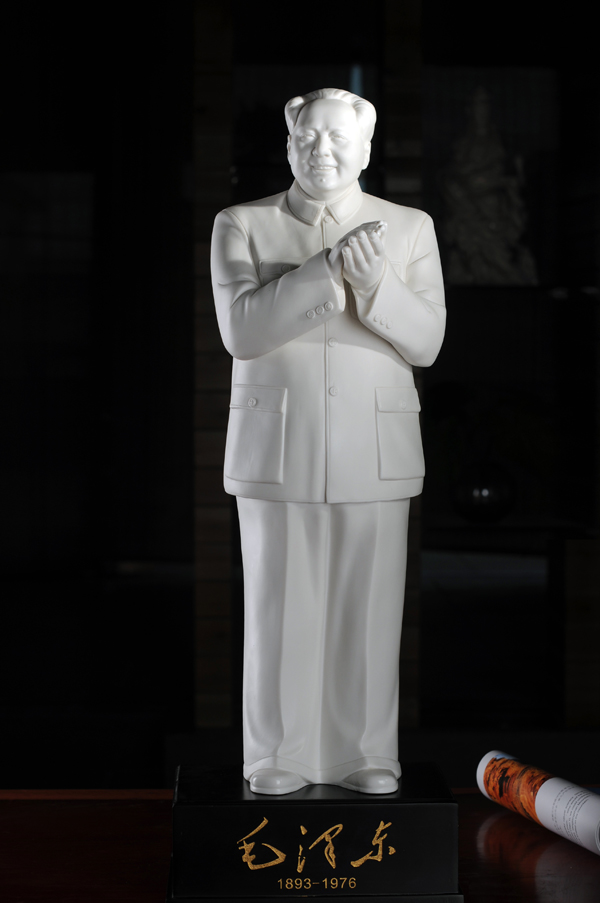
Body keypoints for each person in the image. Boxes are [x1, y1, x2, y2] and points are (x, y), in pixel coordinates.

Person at [211, 88, 445, 795]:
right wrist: (323, 274)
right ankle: (275, 754)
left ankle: (367, 751)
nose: (322, 151)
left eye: (339, 138)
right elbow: (241, 331)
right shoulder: (242, 224)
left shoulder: (409, 228)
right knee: (279, 608)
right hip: (277, 448)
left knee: (367, 609)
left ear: (366, 148)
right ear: (288, 144)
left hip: (373, 448)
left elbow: (427, 342)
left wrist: (375, 284)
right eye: (308, 137)